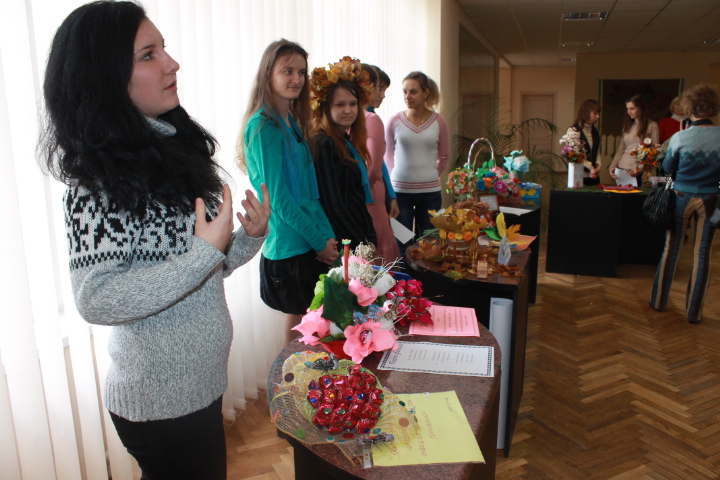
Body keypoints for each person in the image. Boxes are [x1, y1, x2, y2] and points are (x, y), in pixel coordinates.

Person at [41, 2, 270, 478]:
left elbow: (201, 268)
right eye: (149, 55)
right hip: (160, 402)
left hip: (197, 386)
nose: (172, 63)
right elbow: (96, 297)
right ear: (105, 79)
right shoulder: (97, 184)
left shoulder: (166, 153)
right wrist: (202, 254)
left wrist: (248, 237)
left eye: (163, 48)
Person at [238, 40, 337, 345]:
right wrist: (319, 242)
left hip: (307, 241)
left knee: (314, 333)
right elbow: (280, 201)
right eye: (288, 71)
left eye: (301, 72)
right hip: (289, 247)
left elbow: (310, 194)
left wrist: (327, 238)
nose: (297, 79)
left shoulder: (291, 121)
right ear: (268, 74)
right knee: (300, 342)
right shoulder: (263, 126)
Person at [650, 84, 720, 324]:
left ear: (690, 108)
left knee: (671, 249)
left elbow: (667, 167)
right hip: (710, 200)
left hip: (680, 197)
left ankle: (659, 301)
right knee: (702, 255)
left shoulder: (681, 137)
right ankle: (694, 312)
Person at [310, 57, 378, 250]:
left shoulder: (345, 141)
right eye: (340, 104)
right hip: (343, 242)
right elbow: (334, 205)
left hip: (355, 236)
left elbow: (357, 200)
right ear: (325, 107)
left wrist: (371, 237)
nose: (348, 110)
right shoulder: (324, 143)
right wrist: (363, 243)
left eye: (353, 104)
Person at [384, 71, 450, 257]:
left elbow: (444, 156)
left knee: (428, 244)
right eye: (404, 92)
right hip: (400, 194)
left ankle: (424, 277)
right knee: (402, 243)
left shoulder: (439, 122)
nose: (408, 96)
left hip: (430, 194)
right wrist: (393, 185)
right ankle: (405, 276)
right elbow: (387, 156)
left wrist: (430, 175)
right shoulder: (394, 121)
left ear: (426, 93)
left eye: (413, 92)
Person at [361, 63, 401, 264]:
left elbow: (379, 164)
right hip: (368, 193)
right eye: (379, 88)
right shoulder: (369, 119)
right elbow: (375, 167)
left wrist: (391, 195)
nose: (382, 95)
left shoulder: (371, 118)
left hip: (371, 190)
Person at [609, 94, 659, 186]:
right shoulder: (627, 126)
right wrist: (612, 167)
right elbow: (621, 149)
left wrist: (640, 169)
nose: (629, 112)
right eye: (627, 109)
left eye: (632, 108)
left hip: (638, 170)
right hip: (622, 167)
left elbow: (654, 151)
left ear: (640, 108)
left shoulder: (652, 126)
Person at [566, 99, 602, 186]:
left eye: (598, 113)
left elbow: (597, 151)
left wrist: (598, 166)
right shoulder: (573, 131)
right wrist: (590, 166)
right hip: (579, 175)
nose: (598, 116)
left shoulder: (595, 131)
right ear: (586, 112)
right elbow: (574, 155)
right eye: (595, 113)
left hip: (593, 175)